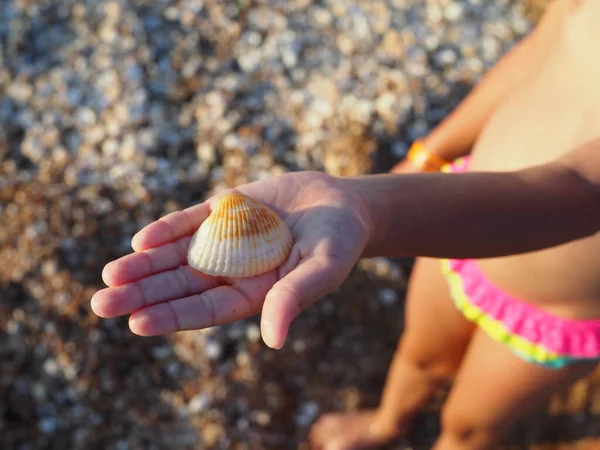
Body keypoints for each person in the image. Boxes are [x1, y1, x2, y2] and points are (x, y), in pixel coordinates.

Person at [91, 1, 600, 448]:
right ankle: (387, 423)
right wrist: (431, 154)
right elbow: (545, 51)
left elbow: (578, 186)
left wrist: (372, 208)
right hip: (460, 227)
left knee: (470, 425)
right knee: (419, 356)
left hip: (560, 312)